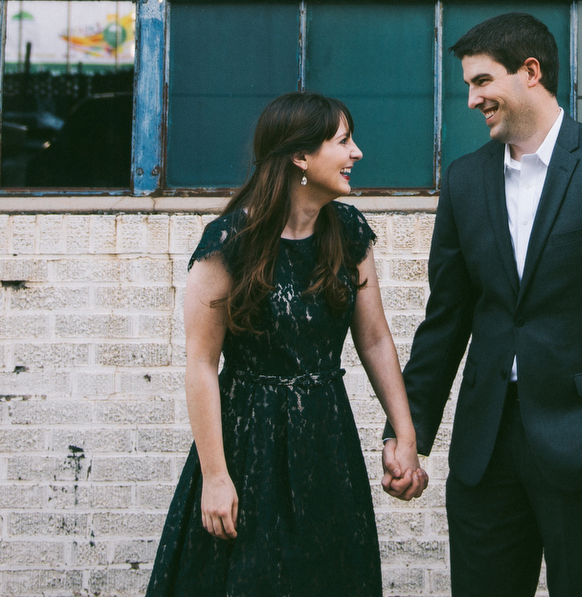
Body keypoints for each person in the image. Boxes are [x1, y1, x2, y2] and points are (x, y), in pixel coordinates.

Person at [395, 12, 582, 597]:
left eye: (482, 82)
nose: (472, 100)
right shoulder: (463, 181)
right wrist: (409, 431)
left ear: (529, 72)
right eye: (468, 86)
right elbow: (446, 321)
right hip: (486, 445)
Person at [147, 92, 428, 597]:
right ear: (300, 156)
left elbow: (376, 340)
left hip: (327, 442)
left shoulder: (348, 233)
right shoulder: (230, 241)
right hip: (247, 445)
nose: (356, 153)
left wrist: (404, 435)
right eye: (343, 142)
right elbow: (201, 365)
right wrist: (215, 476)